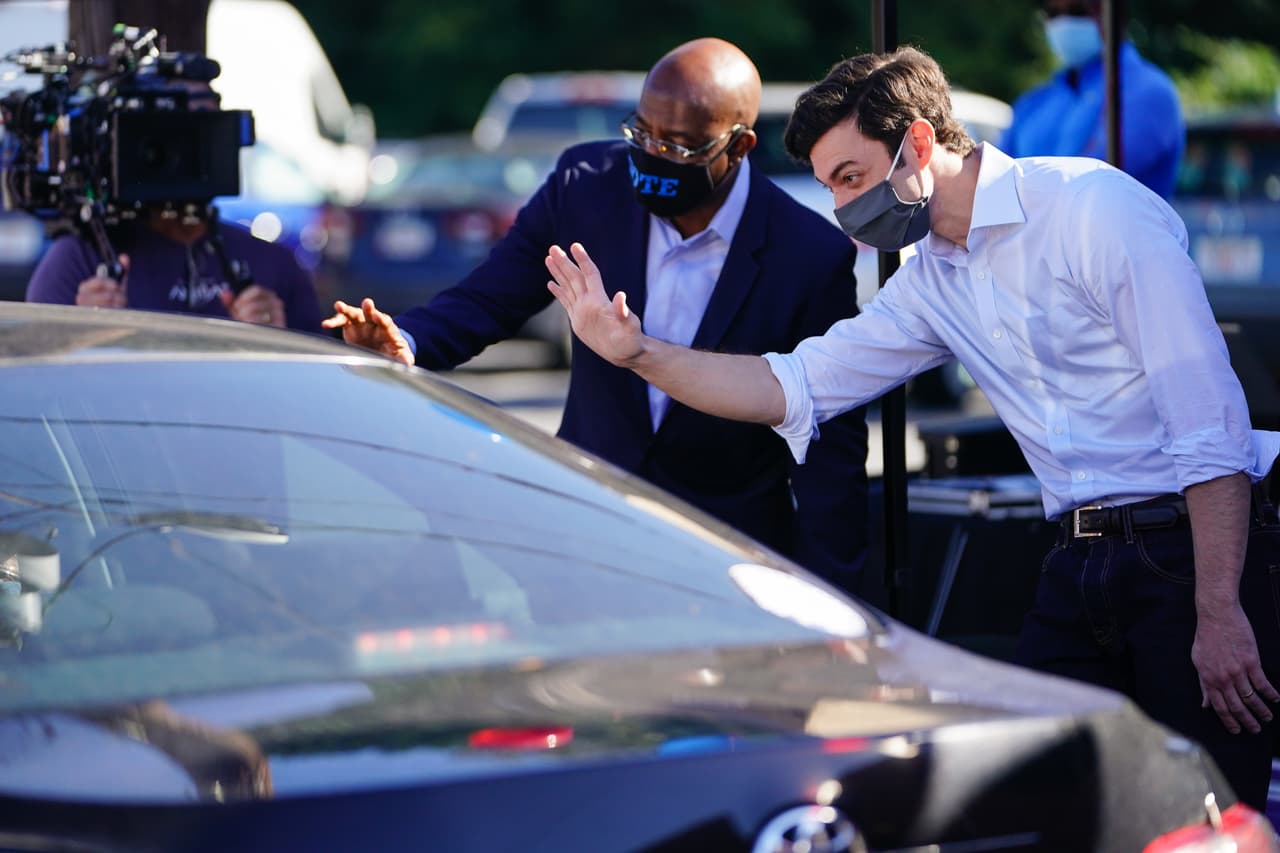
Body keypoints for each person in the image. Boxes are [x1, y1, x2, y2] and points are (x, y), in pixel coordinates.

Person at [544, 45, 1280, 812]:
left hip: (1198, 548)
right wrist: (636, 353)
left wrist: (1219, 608)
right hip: (1078, 555)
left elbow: (1208, 421)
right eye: (830, 187)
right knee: (1044, 807)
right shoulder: (930, 280)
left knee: (1212, 812)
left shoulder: (1092, 208)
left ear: (921, 142)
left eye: (852, 179)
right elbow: (793, 383)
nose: (841, 210)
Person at [324, 38, 870, 590]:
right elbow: (489, 298)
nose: (654, 155)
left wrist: (836, 597)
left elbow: (828, 446)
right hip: (584, 534)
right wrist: (408, 342)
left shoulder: (808, 255)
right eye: (643, 133)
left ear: (740, 145)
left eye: (680, 146)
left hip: (727, 554)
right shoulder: (585, 186)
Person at [26, 81, 324, 335]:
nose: (188, 151)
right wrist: (82, 333)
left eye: (204, 128)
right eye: (171, 133)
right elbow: (37, 383)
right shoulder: (80, 261)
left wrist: (277, 344)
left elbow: (315, 386)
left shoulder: (272, 265)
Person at [1000, 0, 1185, 199]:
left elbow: (1093, 181)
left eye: (1078, 10)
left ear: (1115, 15)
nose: (1064, 22)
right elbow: (995, 183)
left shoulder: (1150, 93)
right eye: (1053, 13)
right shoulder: (1034, 103)